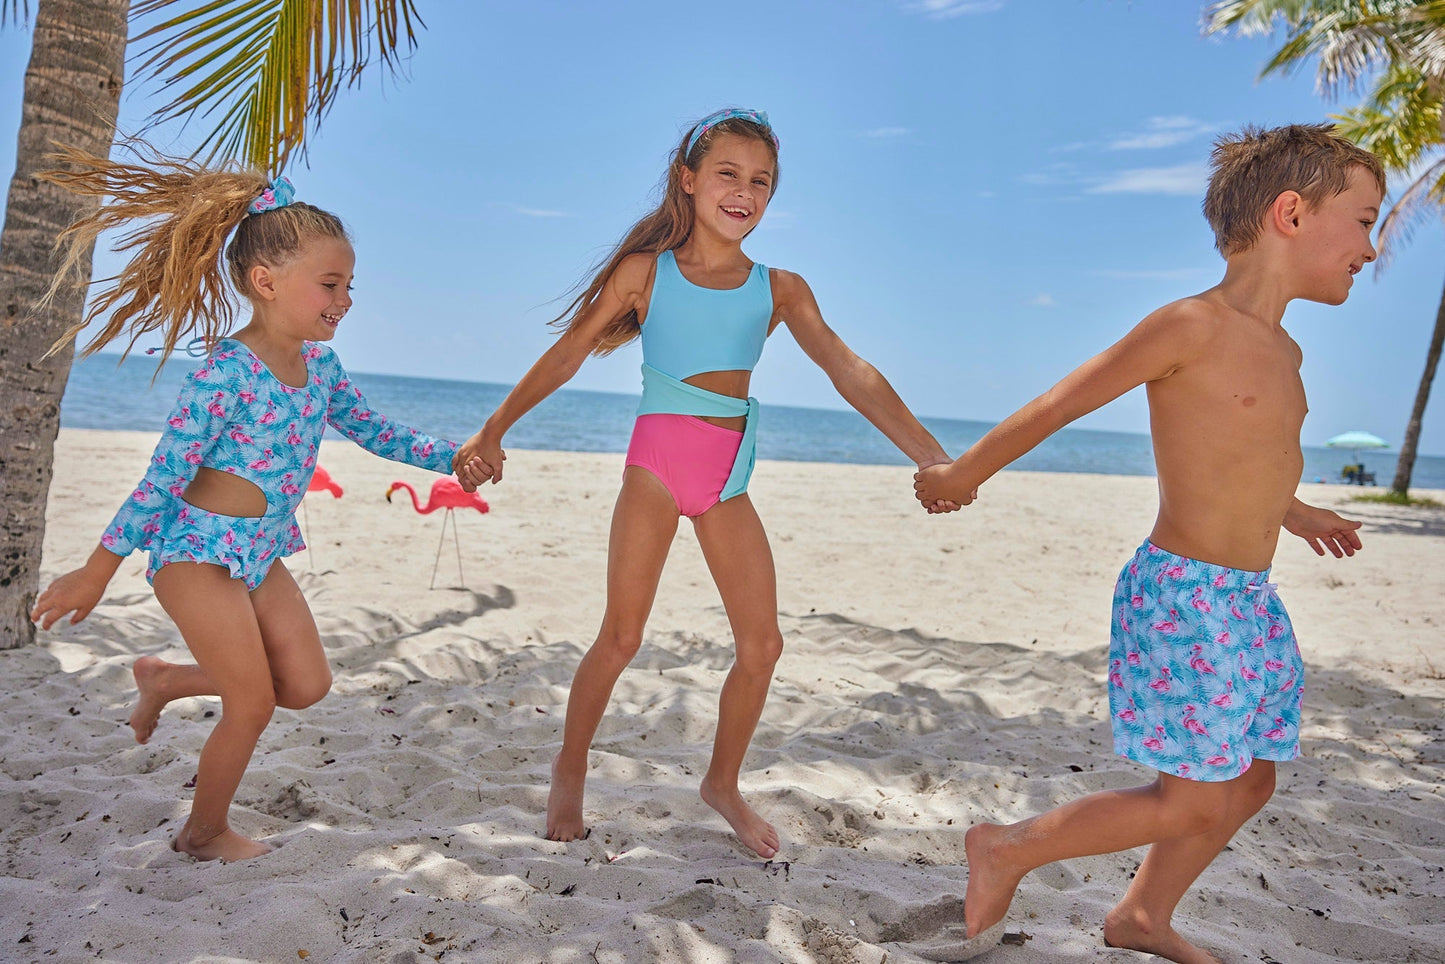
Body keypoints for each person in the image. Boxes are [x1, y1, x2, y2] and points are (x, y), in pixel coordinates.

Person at [912, 124, 1381, 964]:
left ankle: (1140, 917)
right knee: (1194, 799)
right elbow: (1063, 401)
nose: (1371, 248)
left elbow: (1245, 460)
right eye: (1363, 220)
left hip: (1249, 602)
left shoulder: (1286, 349)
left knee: (1252, 778)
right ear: (1290, 214)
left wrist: (1296, 511)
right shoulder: (1189, 325)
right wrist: (964, 472)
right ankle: (1007, 847)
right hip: (1184, 595)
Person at [452, 108, 956, 858]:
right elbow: (567, 355)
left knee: (762, 645)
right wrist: (494, 428)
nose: (743, 191)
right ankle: (569, 763)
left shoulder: (779, 288)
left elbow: (847, 369)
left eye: (760, 181)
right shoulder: (643, 274)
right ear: (688, 182)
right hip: (655, 467)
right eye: (727, 173)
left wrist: (929, 454)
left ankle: (721, 783)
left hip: (725, 477)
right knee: (621, 637)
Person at [30, 147, 460, 862]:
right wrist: (94, 571)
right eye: (330, 283)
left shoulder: (320, 365)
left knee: (306, 684)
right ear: (265, 281)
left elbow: (373, 429)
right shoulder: (224, 373)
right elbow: (161, 479)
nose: (345, 299)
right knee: (253, 701)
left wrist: (455, 456)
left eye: (349, 284)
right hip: (195, 556)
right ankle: (202, 834)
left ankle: (163, 679)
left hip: (258, 554)